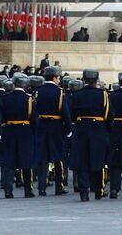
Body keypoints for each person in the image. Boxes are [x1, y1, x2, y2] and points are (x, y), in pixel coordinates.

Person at [69, 68, 110, 202]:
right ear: (96, 80)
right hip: (98, 130)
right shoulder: (103, 95)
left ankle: (84, 193)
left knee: (82, 163)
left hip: (81, 130)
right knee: (98, 161)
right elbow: (109, 114)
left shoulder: (77, 94)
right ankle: (98, 191)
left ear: (84, 80)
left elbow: (72, 114)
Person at [33, 65, 70, 196]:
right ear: (54, 77)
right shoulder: (59, 92)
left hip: (42, 124)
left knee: (42, 157)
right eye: (58, 77)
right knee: (58, 156)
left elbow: (34, 109)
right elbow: (64, 111)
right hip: (56, 126)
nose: (59, 80)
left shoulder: (38, 91)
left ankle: (41, 187)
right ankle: (59, 187)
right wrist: (68, 128)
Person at [0, 75, 34, 198]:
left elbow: (0, 117)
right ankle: (28, 190)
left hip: (9, 131)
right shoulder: (29, 99)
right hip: (25, 131)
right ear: (25, 85)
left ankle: (8, 190)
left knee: (9, 162)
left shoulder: (4, 99)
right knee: (26, 162)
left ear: (14, 84)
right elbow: (34, 119)